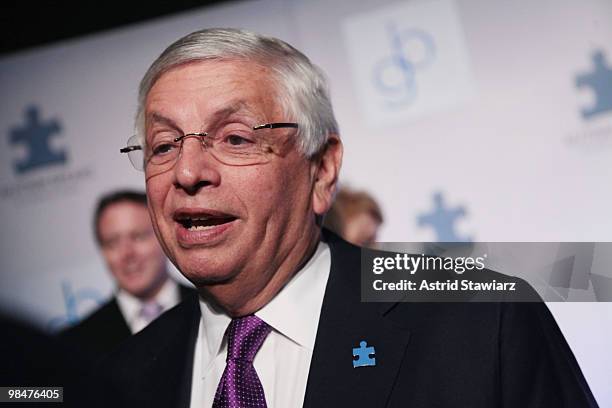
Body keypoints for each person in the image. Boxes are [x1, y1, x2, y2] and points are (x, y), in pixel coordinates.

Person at [96, 29, 598, 407]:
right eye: (163, 145)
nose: (187, 171)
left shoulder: (483, 323)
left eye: (235, 139)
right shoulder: (118, 382)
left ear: (322, 169)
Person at [61, 190, 196, 361]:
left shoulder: (215, 310)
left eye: (138, 237)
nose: (127, 254)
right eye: (112, 243)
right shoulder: (74, 345)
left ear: (164, 236)